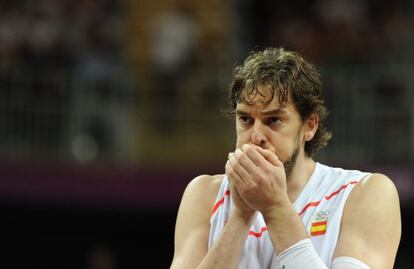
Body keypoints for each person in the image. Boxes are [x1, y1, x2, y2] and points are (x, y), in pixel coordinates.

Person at [170, 47, 401, 269]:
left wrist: (275, 207)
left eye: (273, 120)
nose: (256, 136)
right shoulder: (204, 195)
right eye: (245, 119)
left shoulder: (364, 193)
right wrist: (240, 217)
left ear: (309, 126)